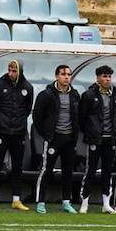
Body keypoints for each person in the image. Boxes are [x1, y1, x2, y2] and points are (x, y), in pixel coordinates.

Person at [31, 64, 81, 215]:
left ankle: (66, 202)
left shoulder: (75, 94)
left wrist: (74, 135)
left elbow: (78, 116)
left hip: (69, 138)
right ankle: (40, 202)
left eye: (69, 74)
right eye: (63, 74)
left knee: (68, 171)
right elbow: (37, 117)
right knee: (47, 170)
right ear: (56, 76)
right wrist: (47, 134)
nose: (66, 77)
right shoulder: (47, 94)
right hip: (54, 138)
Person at [0, 59, 33, 211]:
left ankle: (16, 199)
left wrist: (18, 123)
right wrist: (1, 122)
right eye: (9, 69)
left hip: (19, 132)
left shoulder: (27, 87)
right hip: (1, 131)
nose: (11, 73)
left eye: (14, 70)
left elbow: (27, 109)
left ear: (20, 71)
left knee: (17, 166)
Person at [79, 65, 116, 215]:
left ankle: (106, 204)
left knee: (107, 172)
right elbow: (82, 118)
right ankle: (84, 202)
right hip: (95, 139)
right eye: (104, 76)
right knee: (90, 170)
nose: (107, 79)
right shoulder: (89, 95)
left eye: (109, 76)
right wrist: (91, 132)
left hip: (110, 139)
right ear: (97, 78)